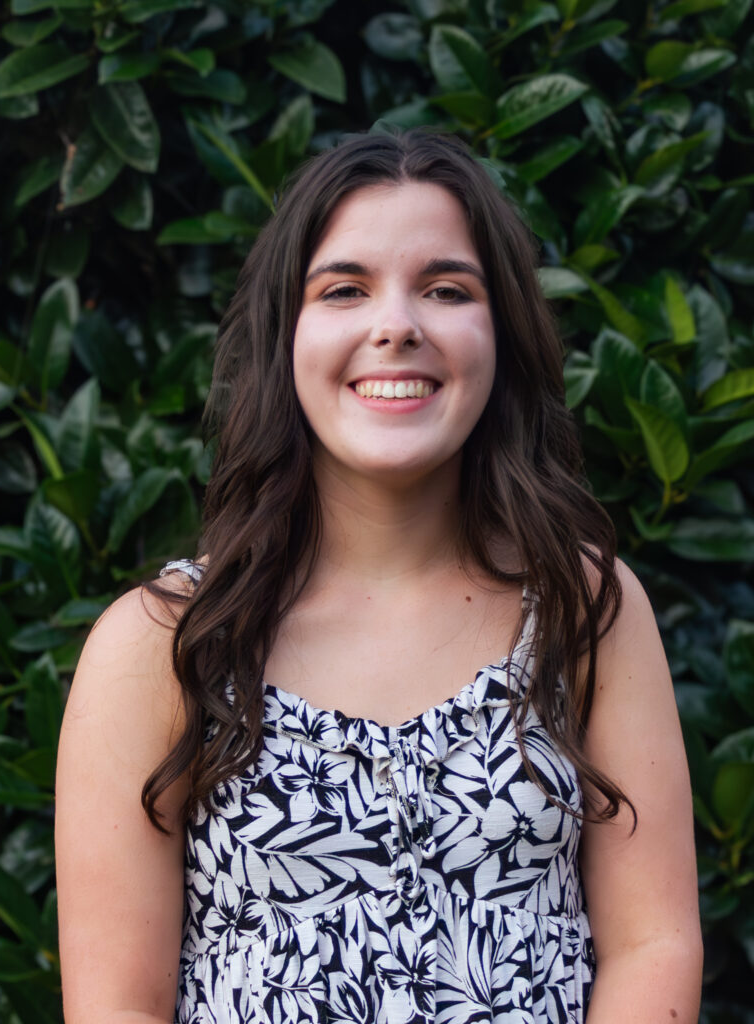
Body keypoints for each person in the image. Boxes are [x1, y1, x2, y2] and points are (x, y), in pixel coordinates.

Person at [55, 129, 702, 1024]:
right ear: (286, 335)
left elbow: (653, 946)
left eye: (447, 289)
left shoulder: (584, 606)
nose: (396, 325)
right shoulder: (165, 642)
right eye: (344, 289)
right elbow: (118, 1005)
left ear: (502, 334)